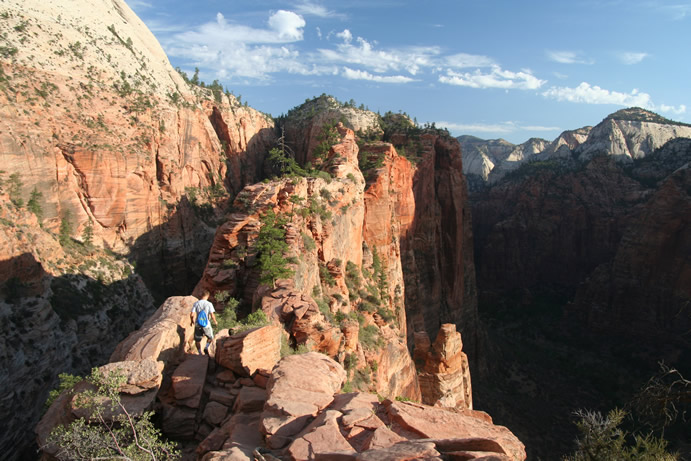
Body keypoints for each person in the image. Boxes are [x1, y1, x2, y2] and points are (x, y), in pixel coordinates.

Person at [190, 290, 218, 355]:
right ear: (208, 296)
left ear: (201, 295)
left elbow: (192, 314)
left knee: (197, 339)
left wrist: (192, 321)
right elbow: (212, 314)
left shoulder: (196, 303)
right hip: (206, 324)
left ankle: (200, 352)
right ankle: (206, 347)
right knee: (210, 338)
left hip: (198, 323)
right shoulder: (209, 304)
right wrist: (215, 321)